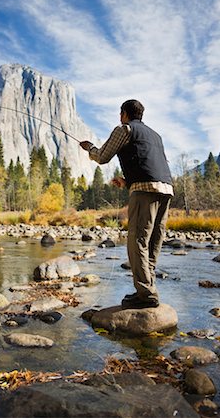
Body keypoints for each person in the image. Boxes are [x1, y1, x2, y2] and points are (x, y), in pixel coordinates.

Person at [80, 99, 173, 309]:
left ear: (124, 114)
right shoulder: (155, 135)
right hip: (166, 189)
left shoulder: (124, 129)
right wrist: (126, 181)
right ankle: (148, 287)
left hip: (144, 191)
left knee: (138, 241)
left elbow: (102, 157)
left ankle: (146, 295)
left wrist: (89, 148)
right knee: (154, 240)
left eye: (119, 113)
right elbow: (148, 162)